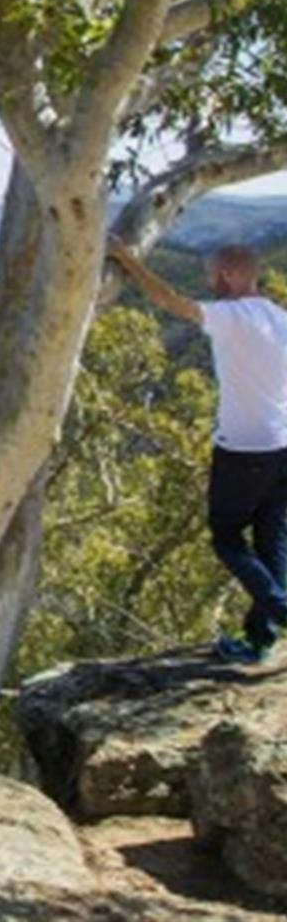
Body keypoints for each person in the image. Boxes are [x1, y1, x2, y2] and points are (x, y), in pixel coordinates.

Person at [108, 239, 287, 663]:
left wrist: (128, 260)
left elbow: (170, 300)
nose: (208, 280)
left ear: (226, 275)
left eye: (210, 274)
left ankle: (280, 611)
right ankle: (260, 641)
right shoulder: (279, 318)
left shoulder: (229, 317)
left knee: (227, 537)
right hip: (283, 445)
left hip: (244, 450)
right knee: (272, 540)